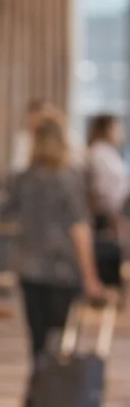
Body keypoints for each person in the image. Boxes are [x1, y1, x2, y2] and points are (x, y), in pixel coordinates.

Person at [8, 115, 106, 357]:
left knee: (38, 340)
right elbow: (79, 228)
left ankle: (40, 378)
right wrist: (90, 276)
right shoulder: (68, 179)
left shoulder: (23, 179)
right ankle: (54, 379)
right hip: (62, 269)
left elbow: (10, 216)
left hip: (29, 266)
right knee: (61, 340)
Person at [85, 112, 128, 288]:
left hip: (117, 214)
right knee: (110, 271)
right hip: (107, 218)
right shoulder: (98, 153)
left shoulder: (110, 153)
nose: (120, 132)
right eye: (117, 128)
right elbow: (103, 190)